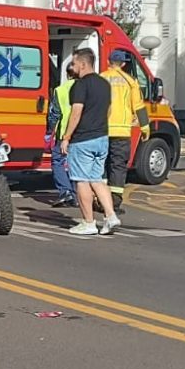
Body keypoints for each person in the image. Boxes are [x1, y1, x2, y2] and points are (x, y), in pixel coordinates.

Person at [60, 47, 120, 236]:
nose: (73, 66)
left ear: (83, 64)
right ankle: (111, 216)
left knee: (81, 181)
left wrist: (67, 137)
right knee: (98, 179)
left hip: (83, 139)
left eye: (75, 63)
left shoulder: (80, 85)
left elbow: (76, 112)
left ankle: (88, 222)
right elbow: (108, 111)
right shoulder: (105, 84)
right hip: (102, 137)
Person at [100, 49, 146, 213]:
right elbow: (138, 106)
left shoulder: (101, 78)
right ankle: (114, 203)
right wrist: (145, 127)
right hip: (121, 132)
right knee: (118, 167)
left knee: (101, 166)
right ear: (124, 64)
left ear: (108, 61)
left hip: (101, 130)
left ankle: (100, 201)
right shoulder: (130, 81)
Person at [48, 62, 78, 208]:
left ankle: (66, 192)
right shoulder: (88, 88)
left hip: (64, 132)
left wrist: (49, 131)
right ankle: (77, 193)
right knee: (77, 164)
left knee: (57, 161)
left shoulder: (60, 90)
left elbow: (54, 114)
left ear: (67, 74)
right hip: (82, 132)